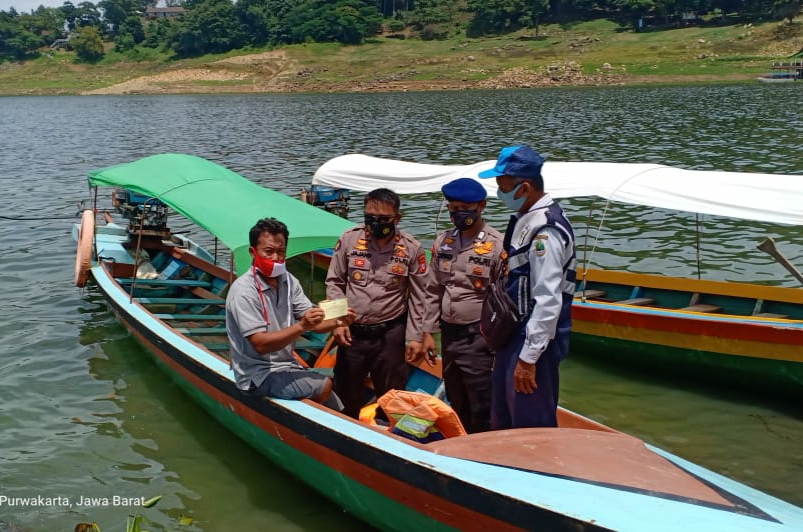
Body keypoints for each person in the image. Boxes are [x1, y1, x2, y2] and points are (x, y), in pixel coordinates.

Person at [478, 145, 576, 429]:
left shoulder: (546, 230)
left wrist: (529, 357)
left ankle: (536, 471)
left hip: (533, 338)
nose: (500, 192)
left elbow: (548, 299)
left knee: (530, 421)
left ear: (524, 187)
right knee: (504, 416)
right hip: (513, 334)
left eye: (503, 186)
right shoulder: (526, 218)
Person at [407, 177, 505, 433]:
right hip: (450, 334)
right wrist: (427, 332)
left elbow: (504, 299)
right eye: (453, 208)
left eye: (465, 208)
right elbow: (433, 288)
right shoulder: (444, 242)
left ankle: (483, 450)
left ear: (481, 206)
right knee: (455, 392)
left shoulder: (496, 245)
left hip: (480, 337)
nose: (459, 214)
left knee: (481, 399)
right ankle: (461, 442)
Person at [226, 217, 355, 410]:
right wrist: (302, 326)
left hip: (287, 365)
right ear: (253, 252)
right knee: (324, 385)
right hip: (257, 375)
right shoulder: (243, 291)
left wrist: (338, 322)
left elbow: (315, 322)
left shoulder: (288, 280)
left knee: (338, 407)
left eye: (281, 251)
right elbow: (260, 345)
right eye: (269, 252)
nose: (276, 258)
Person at [325, 188, 429, 419]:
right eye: (370, 218)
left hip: (390, 333)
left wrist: (416, 336)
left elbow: (421, 295)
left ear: (397, 218)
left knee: (393, 397)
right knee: (345, 394)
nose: (375, 224)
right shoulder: (349, 239)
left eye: (383, 219)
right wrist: (338, 322)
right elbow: (334, 282)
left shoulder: (411, 248)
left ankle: (389, 436)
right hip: (352, 332)